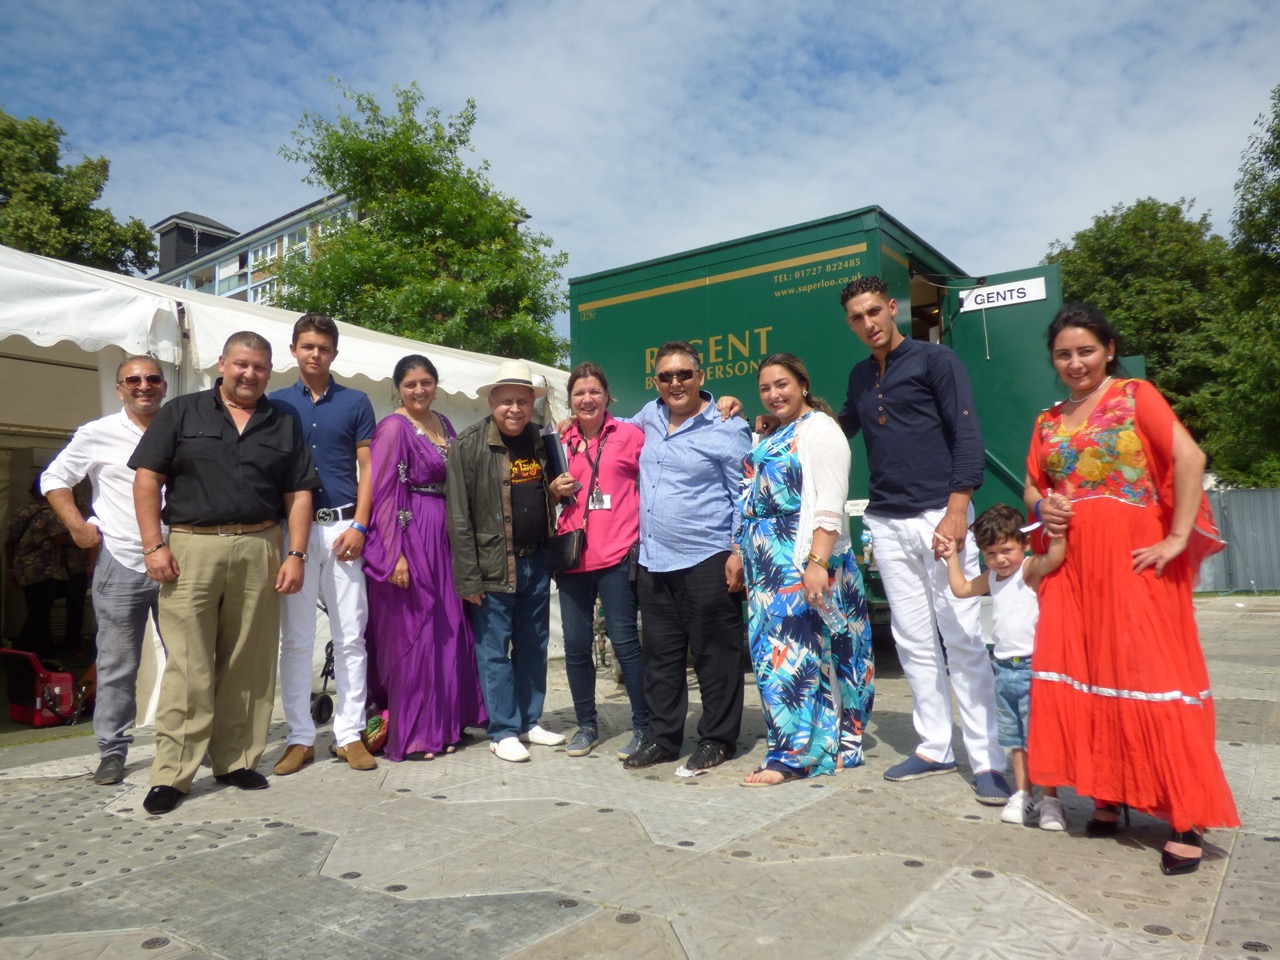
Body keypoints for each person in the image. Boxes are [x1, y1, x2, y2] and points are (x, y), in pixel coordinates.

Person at [1025, 303, 1238, 875]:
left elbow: (1190, 457)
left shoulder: (1134, 395)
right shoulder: (1047, 420)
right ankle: (1108, 793)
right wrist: (1042, 506)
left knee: (1152, 674)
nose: (1075, 363)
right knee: (1088, 669)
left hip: (1132, 560)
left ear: (1109, 350)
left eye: (1086, 351)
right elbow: (1032, 486)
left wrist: (1177, 537)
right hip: (1072, 566)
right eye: (1064, 354)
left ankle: (1186, 816)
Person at [130, 331, 319, 815]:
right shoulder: (182, 411)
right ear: (222, 363)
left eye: (259, 367)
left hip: (260, 545)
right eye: (241, 364)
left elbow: (299, 492)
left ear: (269, 371)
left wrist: (296, 554)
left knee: (249, 661)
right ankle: (172, 773)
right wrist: (153, 544)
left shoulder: (283, 419)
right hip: (190, 548)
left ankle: (235, 760)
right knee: (188, 665)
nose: (249, 374)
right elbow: (148, 477)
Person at [835, 275, 1008, 804]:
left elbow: (967, 433)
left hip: (939, 514)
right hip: (887, 521)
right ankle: (935, 747)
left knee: (962, 637)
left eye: (874, 311)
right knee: (912, 640)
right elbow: (839, 427)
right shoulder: (860, 375)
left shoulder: (936, 361)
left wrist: (957, 510)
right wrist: (780, 418)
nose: (868, 323)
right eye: (857, 317)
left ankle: (988, 760)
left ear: (892, 308)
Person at [736, 354, 875, 786]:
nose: (773, 394)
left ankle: (797, 755)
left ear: (803, 384)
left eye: (782, 385)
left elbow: (830, 502)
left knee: (802, 658)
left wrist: (817, 563)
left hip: (800, 561)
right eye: (765, 388)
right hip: (767, 568)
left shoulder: (821, 429)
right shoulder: (780, 430)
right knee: (774, 659)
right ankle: (808, 747)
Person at [623, 341, 753, 773]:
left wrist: (738, 551)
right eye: (666, 376)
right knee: (661, 658)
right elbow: (613, 429)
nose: (675, 383)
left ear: (700, 377)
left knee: (716, 656)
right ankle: (663, 739)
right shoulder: (650, 415)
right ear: (656, 382)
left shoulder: (727, 425)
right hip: (654, 560)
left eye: (683, 374)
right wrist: (576, 420)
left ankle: (717, 739)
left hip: (707, 557)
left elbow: (744, 494)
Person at [39, 356, 168, 785]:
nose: (143, 385)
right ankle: (112, 750)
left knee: (190, 659)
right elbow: (54, 479)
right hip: (122, 561)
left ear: (164, 386)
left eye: (152, 378)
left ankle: (187, 741)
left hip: (177, 561)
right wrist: (77, 526)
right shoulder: (97, 433)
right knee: (117, 663)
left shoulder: (181, 428)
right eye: (133, 380)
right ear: (119, 389)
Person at [446, 359, 575, 763]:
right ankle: (503, 730)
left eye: (523, 401)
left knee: (534, 646)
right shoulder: (468, 444)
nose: (515, 409)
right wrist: (468, 578)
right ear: (492, 401)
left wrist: (554, 491)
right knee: (495, 651)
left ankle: (529, 721)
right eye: (507, 401)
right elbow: (458, 517)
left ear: (532, 403)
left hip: (536, 560)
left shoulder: (540, 438)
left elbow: (546, 491)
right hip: (493, 565)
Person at [268, 314, 378, 775]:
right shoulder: (275, 403)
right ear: (294, 349)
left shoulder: (356, 402)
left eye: (324, 348)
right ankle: (299, 737)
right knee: (295, 639)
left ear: (335, 353)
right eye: (308, 346)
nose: (316, 354)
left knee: (350, 635)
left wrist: (361, 525)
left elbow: (369, 469)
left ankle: (349, 734)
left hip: (343, 529)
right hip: (293, 533)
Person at [363, 355, 488, 761]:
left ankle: (447, 723)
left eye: (426, 382)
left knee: (447, 629)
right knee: (416, 634)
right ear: (398, 388)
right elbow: (382, 493)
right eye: (410, 384)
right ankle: (416, 733)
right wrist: (395, 554)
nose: (419, 390)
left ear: (436, 384)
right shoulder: (392, 428)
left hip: (446, 535)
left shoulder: (445, 423)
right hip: (412, 533)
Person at [940, 502, 1067, 829]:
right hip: (1004, 669)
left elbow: (1055, 558)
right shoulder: (993, 578)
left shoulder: (1028, 568)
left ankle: (1050, 799)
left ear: (1024, 544)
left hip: (1034, 668)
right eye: (991, 553)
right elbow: (961, 589)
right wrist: (951, 557)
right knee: (1015, 739)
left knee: (1040, 737)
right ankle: (1023, 794)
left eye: (1007, 550)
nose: (1000, 559)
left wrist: (1057, 531)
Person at [555, 362, 649, 760]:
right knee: (576, 646)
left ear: (607, 396)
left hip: (617, 555)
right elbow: (544, 491)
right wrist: (553, 488)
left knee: (625, 643)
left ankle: (643, 726)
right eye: (579, 393)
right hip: (572, 557)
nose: (587, 399)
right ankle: (586, 726)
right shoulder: (560, 440)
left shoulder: (630, 435)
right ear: (570, 400)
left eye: (594, 391)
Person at [5, 478, 73, 655]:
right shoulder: (50, 513)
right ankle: (22, 649)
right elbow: (59, 539)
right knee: (40, 612)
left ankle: (41, 648)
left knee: (36, 609)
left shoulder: (19, 512)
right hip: (45, 570)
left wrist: (11, 569)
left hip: (24, 570)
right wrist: (81, 538)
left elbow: (9, 544)